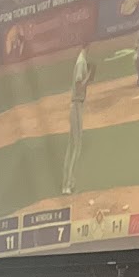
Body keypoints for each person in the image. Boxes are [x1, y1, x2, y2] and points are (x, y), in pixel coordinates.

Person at [62, 46, 93, 195]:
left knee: (71, 146)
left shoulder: (81, 60)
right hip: (76, 107)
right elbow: (79, 84)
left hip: (75, 106)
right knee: (77, 146)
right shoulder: (81, 62)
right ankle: (68, 184)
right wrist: (89, 77)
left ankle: (67, 183)